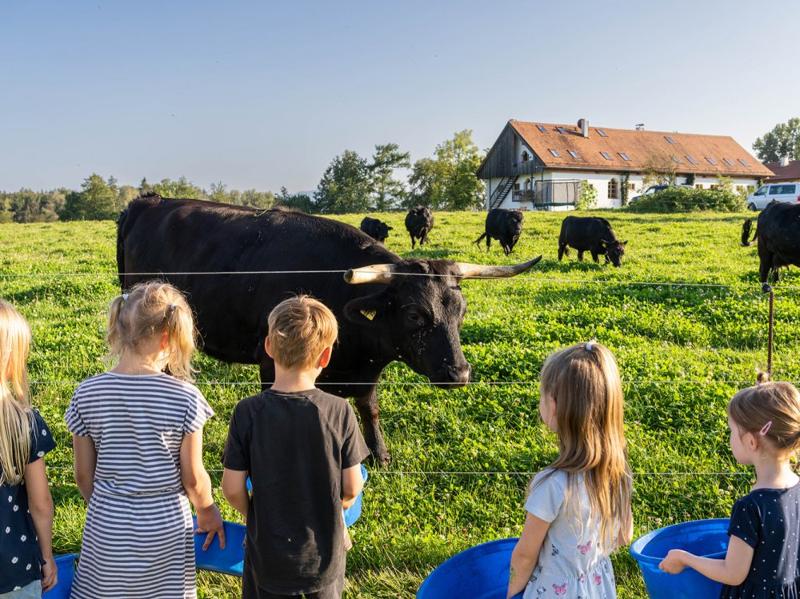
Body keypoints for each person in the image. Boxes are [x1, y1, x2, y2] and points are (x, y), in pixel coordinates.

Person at [65, 282, 225, 599]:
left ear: (120, 327)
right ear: (169, 338)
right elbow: (193, 478)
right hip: (165, 526)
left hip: (107, 526)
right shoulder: (185, 398)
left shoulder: (87, 393)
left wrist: (105, 506)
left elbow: (83, 475)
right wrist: (207, 510)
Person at [222, 295, 370, 599]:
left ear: (267, 347)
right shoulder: (339, 410)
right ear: (326, 356)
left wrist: (255, 515)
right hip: (324, 558)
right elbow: (353, 486)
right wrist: (336, 511)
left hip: (266, 557)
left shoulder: (247, 411)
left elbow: (232, 488)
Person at [507, 341, 633, 599]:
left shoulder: (552, 485)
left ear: (553, 406)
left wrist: (511, 593)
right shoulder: (617, 472)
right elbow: (624, 536)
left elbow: (524, 556)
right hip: (596, 587)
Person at [659, 375, 800, 597]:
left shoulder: (751, 507)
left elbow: (733, 572)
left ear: (752, 442)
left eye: (732, 431)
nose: (730, 439)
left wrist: (684, 558)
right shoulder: (797, 489)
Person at [0, 300, 56, 598]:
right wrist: (46, 556)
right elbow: (41, 504)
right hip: (14, 569)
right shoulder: (25, 423)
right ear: (13, 360)